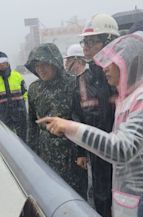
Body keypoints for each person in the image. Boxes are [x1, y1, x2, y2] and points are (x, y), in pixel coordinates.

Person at [38, 34, 143, 217]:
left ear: (126, 64)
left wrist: (70, 127)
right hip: (136, 195)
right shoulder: (128, 97)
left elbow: (121, 150)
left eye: (110, 63)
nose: (105, 68)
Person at [72, 13, 119, 217]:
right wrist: (80, 151)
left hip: (125, 151)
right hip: (98, 152)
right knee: (101, 196)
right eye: (85, 41)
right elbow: (77, 117)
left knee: (127, 199)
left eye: (91, 41)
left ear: (108, 41)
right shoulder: (82, 79)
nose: (85, 46)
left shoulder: (123, 74)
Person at [25, 43, 87, 198]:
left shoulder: (73, 84)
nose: (41, 69)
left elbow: (82, 119)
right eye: (37, 66)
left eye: (45, 64)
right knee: (51, 196)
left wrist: (82, 153)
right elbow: (32, 123)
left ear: (55, 63)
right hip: (45, 154)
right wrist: (30, 153)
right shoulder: (34, 89)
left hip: (71, 155)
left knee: (76, 198)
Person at [0, 51, 27, 141]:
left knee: (24, 136)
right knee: (8, 137)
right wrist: (1, 108)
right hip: (4, 113)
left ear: (7, 63)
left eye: (3, 63)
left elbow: (24, 93)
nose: (1, 65)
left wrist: (21, 105)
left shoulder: (17, 76)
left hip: (19, 111)